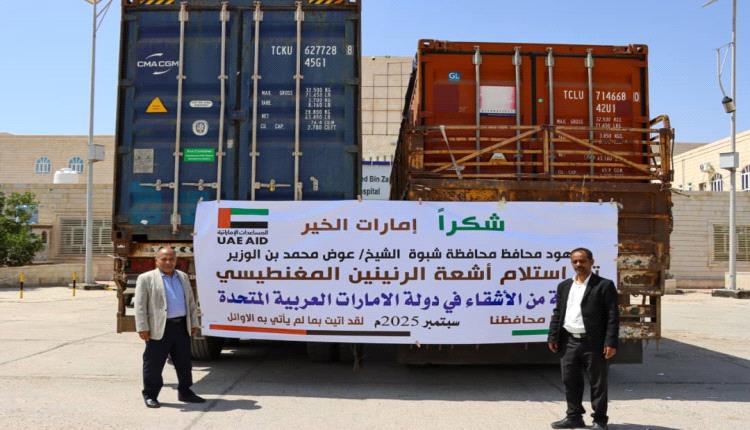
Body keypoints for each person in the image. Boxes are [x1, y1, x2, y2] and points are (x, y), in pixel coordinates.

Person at [547, 247, 619, 430]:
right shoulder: (564, 286)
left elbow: (613, 316)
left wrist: (610, 342)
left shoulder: (604, 285)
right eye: (575, 261)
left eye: (582, 261)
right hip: (569, 341)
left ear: (591, 262)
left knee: (597, 383)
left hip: (594, 343)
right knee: (570, 381)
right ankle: (574, 417)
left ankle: (600, 420)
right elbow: (558, 313)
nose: (578, 264)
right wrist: (553, 336)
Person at [135, 246, 205, 408]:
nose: (168, 262)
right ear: (156, 260)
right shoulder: (146, 278)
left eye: (171, 259)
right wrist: (142, 327)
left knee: (184, 362)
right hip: (159, 328)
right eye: (164, 259)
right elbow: (140, 305)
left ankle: (185, 392)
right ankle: (150, 395)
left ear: (176, 260)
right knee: (154, 363)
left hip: (181, 326)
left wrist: (194, 322)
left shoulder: (183, 276)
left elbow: (191, 302)